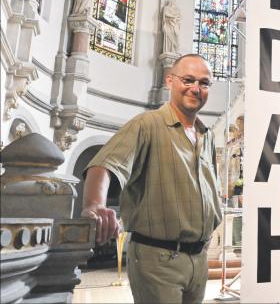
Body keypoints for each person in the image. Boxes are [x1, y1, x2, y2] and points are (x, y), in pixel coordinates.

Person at [81, 54, 222, 303]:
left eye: (204, 83)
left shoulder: (206, 134)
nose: (196, 88)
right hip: (158, 259)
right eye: (188, 80)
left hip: (199, 259)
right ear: (170, 80)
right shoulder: (148, 124)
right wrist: (95, 205)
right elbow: (104, 165)